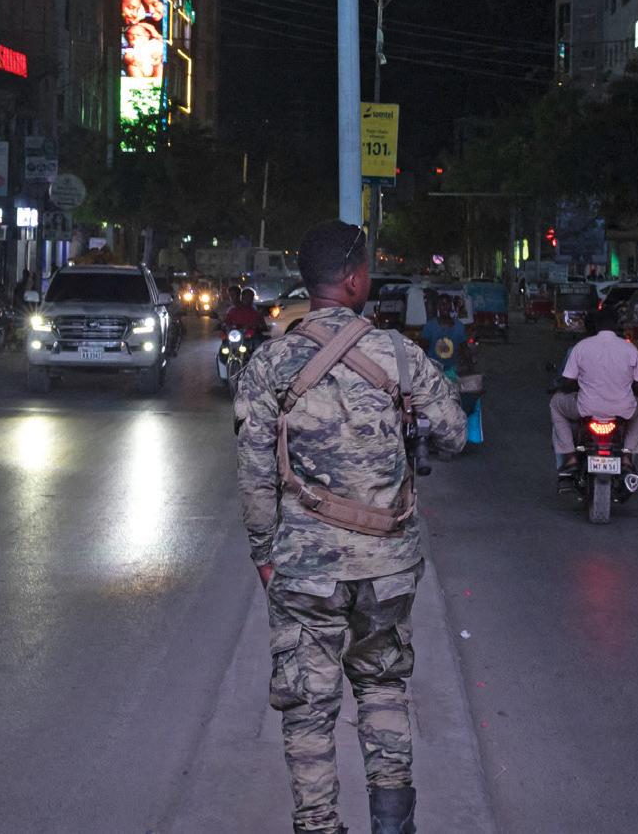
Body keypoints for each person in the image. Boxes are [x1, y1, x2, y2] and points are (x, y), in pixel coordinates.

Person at [235, 221, 464, 834]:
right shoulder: (400, 355)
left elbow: (255, 472)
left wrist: (265, 554)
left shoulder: (270, 363)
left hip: (304, 568)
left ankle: (318, 826)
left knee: (307, 707)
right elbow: (453, 434)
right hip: (388, 566)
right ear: (357, 279)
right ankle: (392, 824)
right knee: (383, 686)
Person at [553, 306, 638, 481]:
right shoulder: (630, 349)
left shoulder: (581, 347)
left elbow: (567, 382)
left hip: (587, 409)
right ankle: (627, 456)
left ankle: (570, 456)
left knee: (556, 404)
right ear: (617, 324)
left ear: (596, 325)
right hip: (622, 411)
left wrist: (569, 388)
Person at [419, 294, 468, 380]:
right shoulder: (430, 326)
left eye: (447, 304)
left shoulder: (459, 326)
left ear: (451, 306)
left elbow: (465, 349)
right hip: (433, 371)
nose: (445, 307)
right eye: (442, 304)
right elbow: (422, 350)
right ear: (438, 307)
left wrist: (471, 368)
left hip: (452, 370)